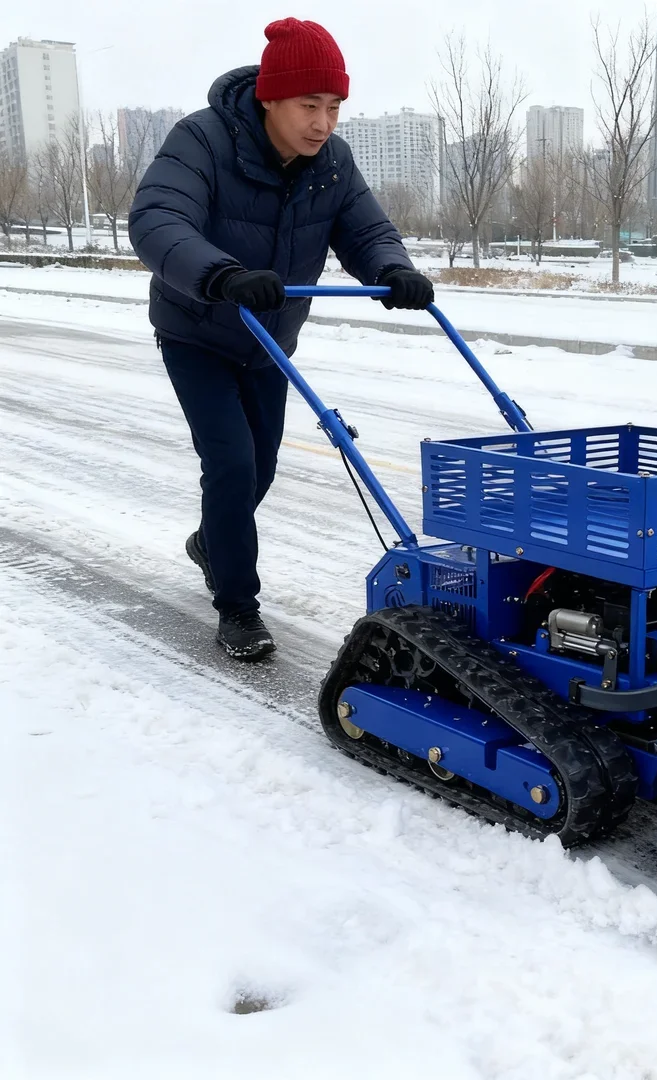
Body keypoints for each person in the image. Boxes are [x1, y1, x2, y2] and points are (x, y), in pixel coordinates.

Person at [128, 18, 433, 662]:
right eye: (309, 105)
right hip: (198, 329)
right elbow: (158, 220)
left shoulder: (333, 163)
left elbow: (365, 230)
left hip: (268, 336)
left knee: (259, 466)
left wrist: (393, 270)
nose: (323, 122)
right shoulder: (202, 141)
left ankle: (214, 539)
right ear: (270, 97)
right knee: (233, 464)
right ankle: (238, 606)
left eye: (334, 107)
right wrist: (222, 274)